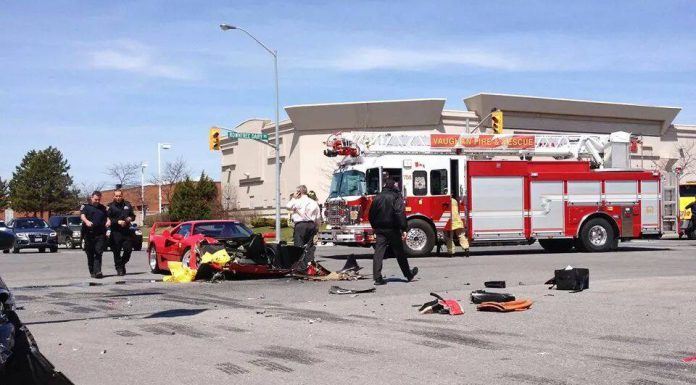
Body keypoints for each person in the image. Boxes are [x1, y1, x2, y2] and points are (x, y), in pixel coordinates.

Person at [368, 177, 418, 285]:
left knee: (378, 252)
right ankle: (408, 274)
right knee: (399, 253)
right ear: (393, 186)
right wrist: (404, 228)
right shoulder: (396, 197)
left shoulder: (377, 197)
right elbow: (399, 213)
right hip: (392, 229)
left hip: (380, 229)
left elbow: (371, 214)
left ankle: (377, 278)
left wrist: (374, 227)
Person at [80, 191, 110, 278]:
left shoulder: (103, 208)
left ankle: (98, 271)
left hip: (100, 233)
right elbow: (82, 216)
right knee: (90, 253)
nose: (97, 201)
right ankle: (92, 270)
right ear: (91, 197)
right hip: (88, 233)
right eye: (95, 199)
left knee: (98, 252)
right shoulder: (85, 206)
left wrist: (108, 221)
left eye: (99, 200)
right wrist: (86, 221)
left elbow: (107, 216)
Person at [107, 189, 136, 276]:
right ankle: (119, 269)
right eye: (116, 196)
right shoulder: (110, 206)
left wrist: (130, 218)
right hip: (116, 232)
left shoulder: (127, 204)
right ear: (114, 196)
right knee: (116, 252)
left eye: (120, 196)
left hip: (126, 231)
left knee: (128, 250)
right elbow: (108, 219)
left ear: (122, 196)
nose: (118, 197)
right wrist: (118, 222)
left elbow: (133, 215)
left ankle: (122, 263)